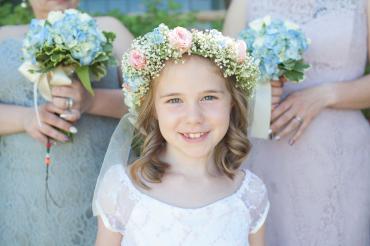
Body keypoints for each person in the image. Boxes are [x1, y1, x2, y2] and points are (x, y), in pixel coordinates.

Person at [93, 25, 269, 246]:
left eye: (209, 97)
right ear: (153, 109)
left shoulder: (250, 195)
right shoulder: (124, 190)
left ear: (232, 102)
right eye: (174, 100)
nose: (194, 117)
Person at [223, 0, 370, 245]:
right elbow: (222, 78)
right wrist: (258, 95)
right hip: (265, 156)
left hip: (341, 159)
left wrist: (324, 95)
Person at [0, 0, 133, 245]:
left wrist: (91, 101)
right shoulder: (3, 36)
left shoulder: (109, 28)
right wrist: (26, 118)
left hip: (98, 191)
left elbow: (152, 103)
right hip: (19, 195)